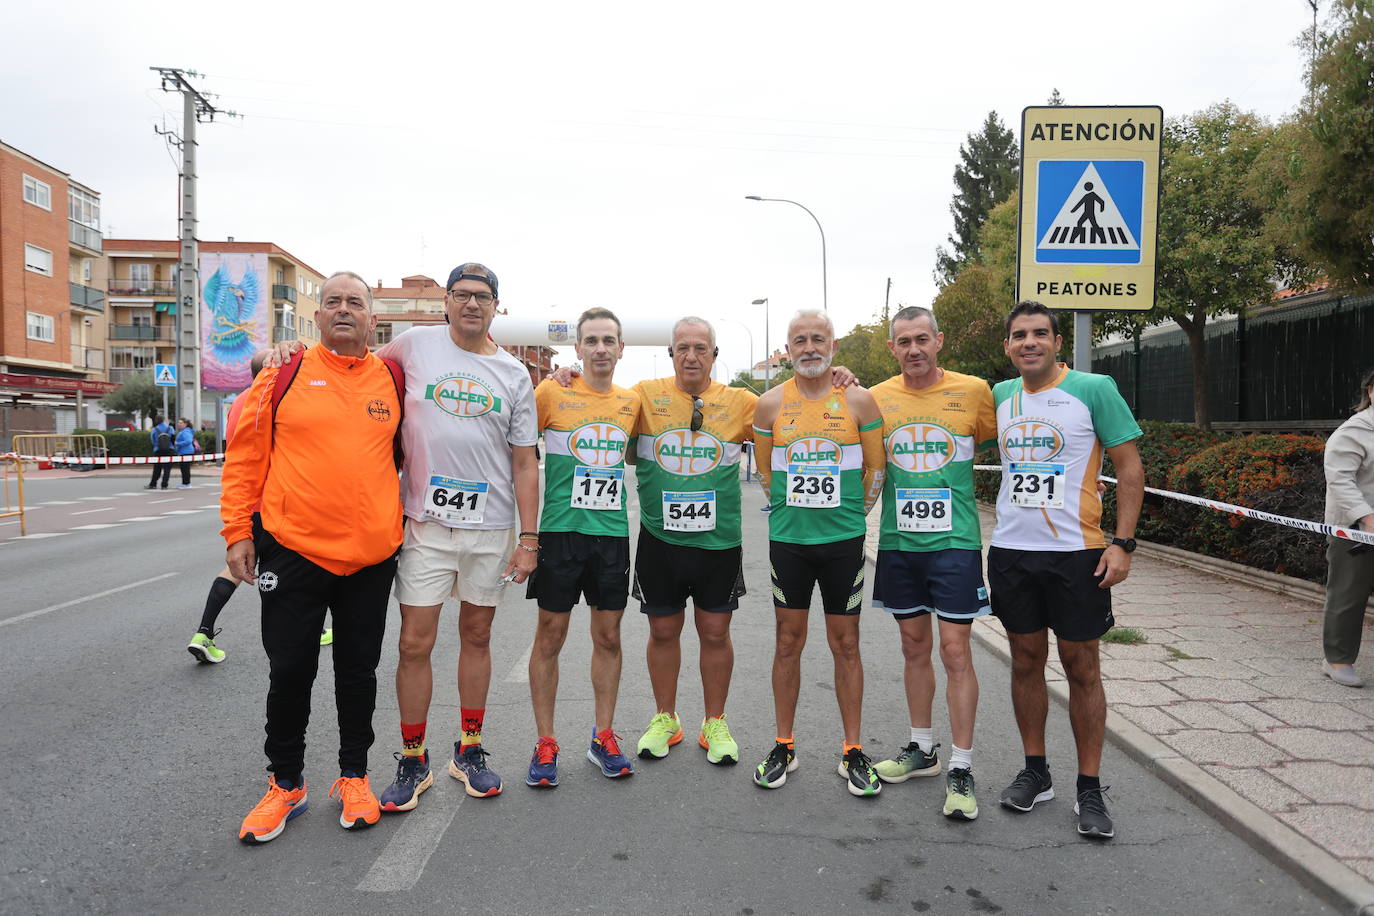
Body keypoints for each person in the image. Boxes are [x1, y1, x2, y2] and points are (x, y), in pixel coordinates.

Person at [222, 271, 404, 843]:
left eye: (356, 302)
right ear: (317, 318)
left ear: (373, 320)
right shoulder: (284, 371)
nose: (344, 310)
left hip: (371, 557)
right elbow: (245, 456)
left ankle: (354, 775)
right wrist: (237, 530)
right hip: (293, 549)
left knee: (358, 671)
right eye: (333, 302)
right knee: (291, 669)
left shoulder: (393, 377)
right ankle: (286, 784)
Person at [374, 263, 539, 810]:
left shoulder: (516, 375)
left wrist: (529, 538)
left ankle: (468, 749)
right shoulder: (413, 345)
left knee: (477, 635)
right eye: (462, 295)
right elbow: (356, 374)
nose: (472, 304)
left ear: (497, 307)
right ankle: (413, 755)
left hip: (490, 527)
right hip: (425, 524)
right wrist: (286, 357)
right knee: (413, 641)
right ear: (446, 301)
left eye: (483, 297)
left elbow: (524, 464)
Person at [989, 300, 1143, 840]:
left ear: (1057, 342)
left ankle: (1089, 785)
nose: (1028, 342)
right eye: (1018, 336)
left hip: (1078, 553)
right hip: (1011, 550)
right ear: (1007, 347)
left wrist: (1122, 543)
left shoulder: (1094, 389)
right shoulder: (1001, 396)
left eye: (1038, 334)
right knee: (1025, 661)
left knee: (1082, 667)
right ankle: (1036, 771)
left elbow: (1129, 468)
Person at [866, 306, 997, 821]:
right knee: (913, 646)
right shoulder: (875, 397)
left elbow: (1007, 439)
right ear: (892, 349)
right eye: (904, 342)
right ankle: (921, 747)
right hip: (899, 544)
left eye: (923, 339)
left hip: (956, 543)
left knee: (956, 651)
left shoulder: (975, 391)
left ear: (939, 341)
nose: (914, 349)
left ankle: (961, 766)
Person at [750, 309, 887, 796]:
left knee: (845, 643)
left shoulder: (858, 399)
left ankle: (852, 749)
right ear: (787, 349)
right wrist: (787, 511)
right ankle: (784, 743)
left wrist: (854, 517)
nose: (809, 347)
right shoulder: (768, 406)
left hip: (842, 543)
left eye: (818, 339)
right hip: (789, 543)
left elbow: (876, 471)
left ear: (833, 345)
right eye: (799, 340)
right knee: (788, 641)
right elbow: (766, 474)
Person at [624, 317, 757, 765]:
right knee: (662, 630)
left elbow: (795, 409)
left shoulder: (741, 402)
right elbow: (598, 403)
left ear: (715, 355)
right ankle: (666, 718)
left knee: (715, 633)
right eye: (683, 347)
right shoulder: (643, 395)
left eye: (701, 348)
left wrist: (842, 379)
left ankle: (714, 722)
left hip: (718, 542)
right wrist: (568, 374)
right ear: (671, 354)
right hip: (660, 539)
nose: (692, 356)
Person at [523, 308, 640, 787]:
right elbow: (515, 440)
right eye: (590, 340)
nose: (599, 348)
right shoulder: (552, 391)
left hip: (611, 535)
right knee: (550, 635)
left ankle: (603, 735)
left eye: (608, 340)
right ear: (577, 348)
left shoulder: (633, 402)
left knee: (609, 637)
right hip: (560, 531)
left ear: (620, 348)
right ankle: (546, 741)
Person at [188, 355, 333, 665]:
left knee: (238, 569)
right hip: (276, 502)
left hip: (247, 504)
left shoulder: (240, 401)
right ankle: (315, 630)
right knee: (301, 568)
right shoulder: (272, 399)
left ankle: (203, 632)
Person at [1321, 368, 1374, 688]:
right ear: (1370, 391)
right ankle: (1337, 660)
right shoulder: (1354, 431)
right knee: (1348, 595)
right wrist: (1367, 517)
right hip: (1354, 532)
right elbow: (1340, 479)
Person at [145, 415, 174, 489]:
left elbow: (153, 440)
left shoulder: (154, 429)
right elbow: (173, 438)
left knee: (157, 468)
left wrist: (157, 446)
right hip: (169, 450)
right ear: (164, 420)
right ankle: (164, 485)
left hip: (158, 450)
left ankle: (153, 484)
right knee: (167, 469)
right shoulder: (170, 428)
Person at [174, 418, 195, 488]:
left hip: (186, 452)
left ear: (185, 424)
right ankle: (185, 483)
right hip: (183, 452)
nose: (179, 424)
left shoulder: (186, 431)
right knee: (184, 468)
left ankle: (186, 483)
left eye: (181, 423)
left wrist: (178, 443)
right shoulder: (184, 431)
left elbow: (188, 441)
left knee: (185, 468)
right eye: (178, 423)